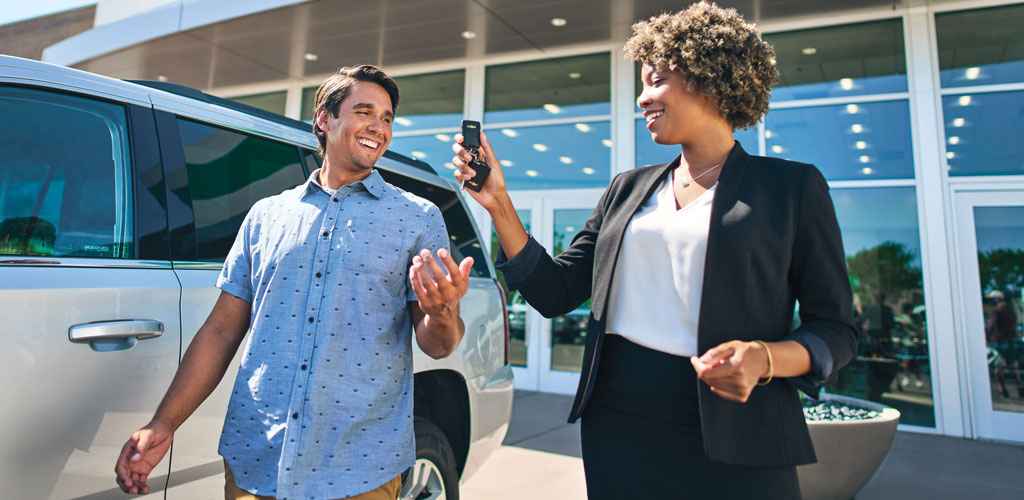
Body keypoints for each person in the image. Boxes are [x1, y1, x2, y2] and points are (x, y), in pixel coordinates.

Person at [451, 3, 857, 498]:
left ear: (710, 78)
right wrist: (499, 205)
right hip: (620, 424)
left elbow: (836, 329)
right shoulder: (627, 189)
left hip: (740, 431)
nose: (642, 99)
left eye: (656, 81)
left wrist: (765, 359)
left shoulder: (790, 188)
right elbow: (556, 292)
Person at [114, 65, 474, 499]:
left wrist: (443, 311)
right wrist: (164, 422)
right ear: (324, 118)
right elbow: (221, 330)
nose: (378, 127)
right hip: (256, 461)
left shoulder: (417, 218)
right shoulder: (266, 216)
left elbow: (438, 344)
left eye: (387, 118)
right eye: (364, 111)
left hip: (359, 469)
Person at [986, 290, 1022, 398]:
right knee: (1012, 364)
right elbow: (1015, 324)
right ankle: (1020, 383)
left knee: (998, 366)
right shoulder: (1010, 310)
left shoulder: (995, 311)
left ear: (997, 299)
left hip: (998, 340)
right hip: (1010, 340)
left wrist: (987, 337)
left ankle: (1003, 389)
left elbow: (992, 325)